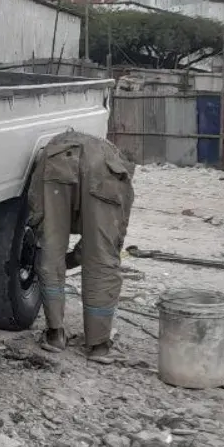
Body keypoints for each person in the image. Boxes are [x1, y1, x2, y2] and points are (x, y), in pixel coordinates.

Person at [25, 130, 136, 358]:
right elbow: (112, 236)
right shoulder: (111, 157)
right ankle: (99, 345)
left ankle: (55, 334)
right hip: (103, 167)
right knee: (103, 258)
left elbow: (37, 215)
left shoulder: (51, 150)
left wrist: (59, 259)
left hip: (57, 158)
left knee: (50, 249)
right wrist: (76, 258)